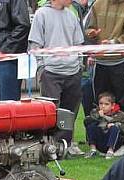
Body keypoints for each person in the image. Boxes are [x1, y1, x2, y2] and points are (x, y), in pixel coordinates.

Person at [29, 0, 85, 156]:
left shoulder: (72, 15)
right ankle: (50, 146)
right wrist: (42, 68)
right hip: (51, 72)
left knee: (70, 111)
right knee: (51, 112)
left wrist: (79, 65)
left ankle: (65, 146)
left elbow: (79, 43)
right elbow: (35, 45)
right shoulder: (41, 14)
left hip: (73, 71)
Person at [85, 0, 124, 111]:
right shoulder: (98, 4)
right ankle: (103, 128)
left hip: (122, 62)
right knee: (100, 105)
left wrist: (113, 43)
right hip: (101, 63)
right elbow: (89, 28)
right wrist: (92, 33)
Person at [84, 91, 124, 157]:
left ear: (112, 105)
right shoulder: (95, 112)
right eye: (101, 103)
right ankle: (93, 150)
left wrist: (115, 124)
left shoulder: (121, 115)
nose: (103, 106)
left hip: (116, 143)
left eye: (106, 104)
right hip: (101, 140)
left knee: (114, 128)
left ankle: (110, 151)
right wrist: (99, 117)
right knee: (91, 126)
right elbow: (86, 121)